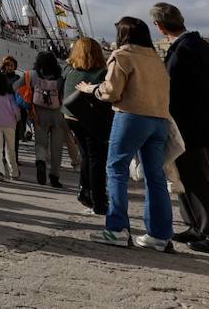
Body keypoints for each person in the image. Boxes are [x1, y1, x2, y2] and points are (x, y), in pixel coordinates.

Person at [151, 2, 209, 256]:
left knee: (199, 181)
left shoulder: (184, 50)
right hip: (201, 124)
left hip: (192, 128)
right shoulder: (198, 46)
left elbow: (174, 90)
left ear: (159, 26)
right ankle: (196, 225)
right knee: (188, 180)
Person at [77, 16, 173, 251]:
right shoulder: (156, 60)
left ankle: (117, 228)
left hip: (132, 116)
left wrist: (91, 89)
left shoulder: (122, 56)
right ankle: (159, 234)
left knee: (116, 170)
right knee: (155, 177)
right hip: (159, 119)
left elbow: (111, 90)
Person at [62, 36, 109, 215]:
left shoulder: (69, 70)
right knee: (97, 158)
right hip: (91, 119)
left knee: (86, 155)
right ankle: (98, 199)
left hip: (70, 116)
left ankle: (84, 190)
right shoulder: (101, 73)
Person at [29, 51, 68, 188]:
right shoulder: (60, 77)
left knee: (41, 143)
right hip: (58, 114)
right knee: (57, 147)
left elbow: (16, 87)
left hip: (39, 114)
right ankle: (55, 177)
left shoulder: (33, 75)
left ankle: (40, 161)